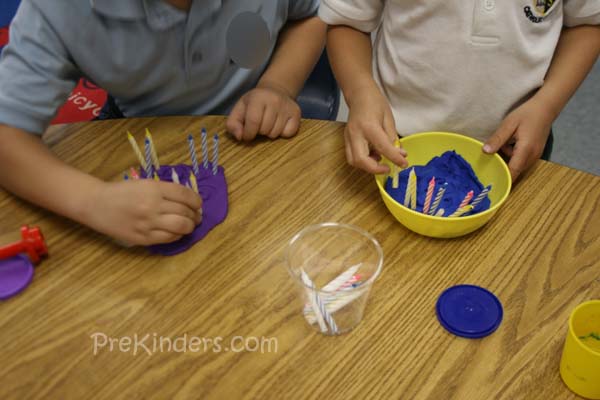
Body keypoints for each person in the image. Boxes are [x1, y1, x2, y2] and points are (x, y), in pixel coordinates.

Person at [0, 0, 325, 245]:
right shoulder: (59, 9)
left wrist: (278, 86)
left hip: (260, 135)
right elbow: (6, 135)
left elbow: (313, 14)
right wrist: (92, 200)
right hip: (136, 127)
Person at [320, 0, 600, 180]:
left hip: (515, 143)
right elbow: (347, 20)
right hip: (392, 139)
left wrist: (547, 106)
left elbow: (587, 22)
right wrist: (360, 91)